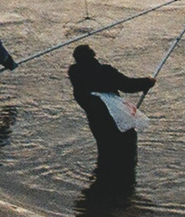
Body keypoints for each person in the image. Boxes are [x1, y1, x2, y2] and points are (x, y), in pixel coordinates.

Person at [67, 43, 156, 192]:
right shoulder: (105, 71)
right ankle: (125, 188)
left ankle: (102, 182)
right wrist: (148, 82)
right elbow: (128, 85)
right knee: (126, 154)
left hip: (96, 120)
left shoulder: (76, 76)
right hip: (115, 119)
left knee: (105, 151)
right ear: (93, 56)